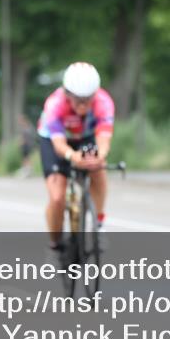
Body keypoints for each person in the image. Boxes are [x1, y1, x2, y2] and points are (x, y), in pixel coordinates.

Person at [37, 62, 115, 251]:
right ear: (67, 93)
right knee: (57, 198)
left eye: (88, 99)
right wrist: (72, 156)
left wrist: (100, 156)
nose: (83, 105)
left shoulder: (104, 102)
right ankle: (55, 244)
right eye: (78, 99)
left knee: (97, 167)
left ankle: (98, 224)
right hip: (55, 140)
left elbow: (104, 137)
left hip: (85, 137)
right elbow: (58, 144)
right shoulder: (55, 104)